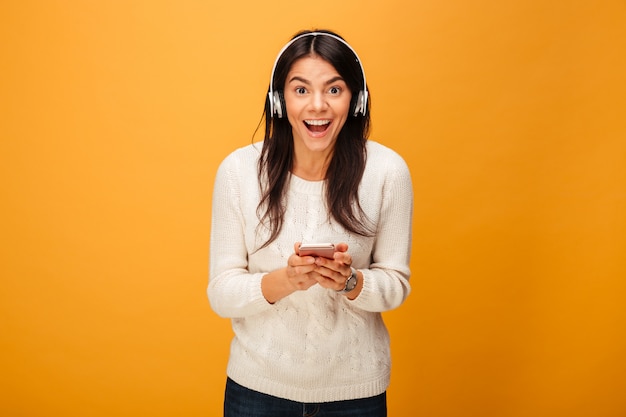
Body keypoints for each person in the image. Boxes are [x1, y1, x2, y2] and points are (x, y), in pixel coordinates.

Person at [208, 29, 413, 417]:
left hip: (355, 393)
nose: (317, 106)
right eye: (301, 90)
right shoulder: (238, 171)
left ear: (356, 99)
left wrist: (351, 283)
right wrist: (286, 281)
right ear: (278, 100)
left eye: (334, 90)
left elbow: (396, 283)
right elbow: (221, 292)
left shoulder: (388, 172)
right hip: (257, 390)